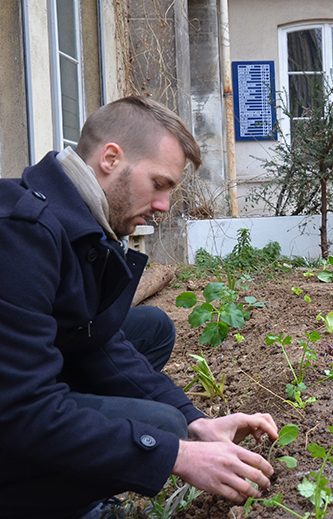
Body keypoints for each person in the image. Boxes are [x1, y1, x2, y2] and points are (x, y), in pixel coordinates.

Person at [0, 97, 279, 519]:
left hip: (18, 391)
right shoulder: (22, 234)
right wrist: (175, 455)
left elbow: (97, 341)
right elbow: (20, 412)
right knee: (158, 429)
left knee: (151, 330)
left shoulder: (75, 219)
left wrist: (195, 422)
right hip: (13, 415)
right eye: (160, 184)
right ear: (111, 158)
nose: (164, 206)